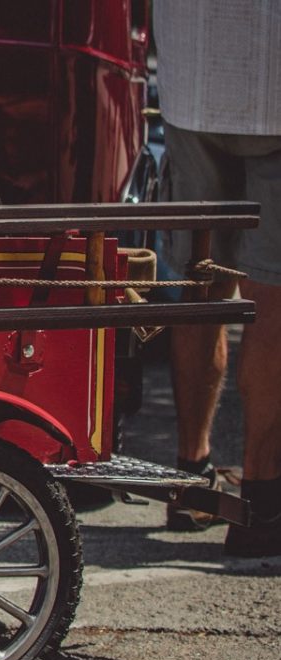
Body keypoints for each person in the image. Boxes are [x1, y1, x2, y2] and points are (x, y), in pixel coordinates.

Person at [154, 0, 281, 556]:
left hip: (192, 73)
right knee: (271, 295)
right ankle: (261, 500)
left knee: (200, 287)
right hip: (273, 80)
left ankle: (191, 479)